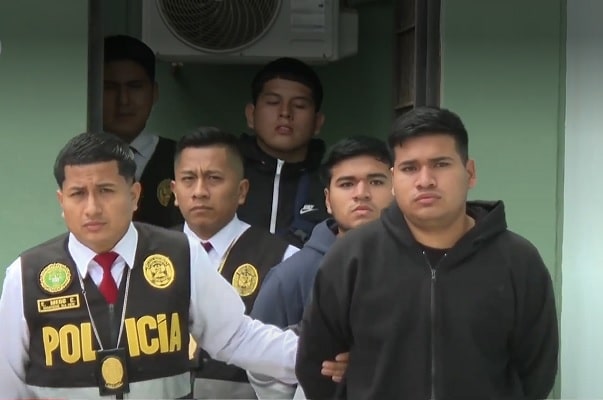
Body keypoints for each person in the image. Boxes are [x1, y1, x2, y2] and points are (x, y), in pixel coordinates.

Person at [0, 132, 300, 398]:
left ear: (134, 196)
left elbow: (238, 337)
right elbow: (7, 383)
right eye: (78, 194)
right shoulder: (26, 276)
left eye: (106, 190)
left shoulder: (180, 254)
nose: (92, 208)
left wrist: (315, 357)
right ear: (61, 202)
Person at [296, 107, 559, 399]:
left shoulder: (518, 261)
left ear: (470, 173)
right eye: (409, 168)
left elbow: (536, 372)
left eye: (440, 164)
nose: (425, 180)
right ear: (394, 179)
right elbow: (317, 365)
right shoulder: (351, 257)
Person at [249, 136, 394, 399]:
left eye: (376, 181)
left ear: (396, 188)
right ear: (327, 199)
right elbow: (258, 366)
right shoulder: (290, 277)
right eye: (347, 184)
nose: (361, 193)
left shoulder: (423, 265)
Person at [170, 128, 299, 399]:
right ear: (174, 190)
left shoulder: (286, 259)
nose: (200, 191)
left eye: (214, 178)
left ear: (242, 191)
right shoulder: (148, 254)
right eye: (188, 179)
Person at [238, 57, 329, 248]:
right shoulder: (227, 175)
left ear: (317, 122)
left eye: (299, 105)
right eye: (273, 102)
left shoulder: (331, 181)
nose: (285, 113)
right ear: (251, 115)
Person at [103, 34, 183, 228]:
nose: (123, 100)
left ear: (154, 93)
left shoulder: (182, 159)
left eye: (135, 87)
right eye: (110, 88)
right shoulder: (80, 161)